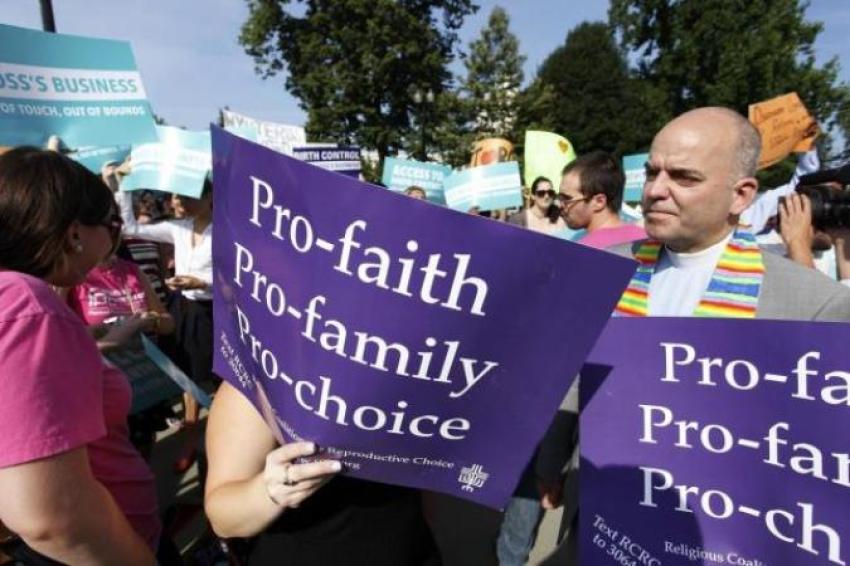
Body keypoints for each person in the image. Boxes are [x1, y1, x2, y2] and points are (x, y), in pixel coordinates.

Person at [544, 107, 850, 566]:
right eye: (652, 172)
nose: (655, 191)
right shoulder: (605, 269)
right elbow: (572, 374)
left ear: (741, 195)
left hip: (719, 537)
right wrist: (551, 463)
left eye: (683, 177)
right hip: (601, 513)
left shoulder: (811, 304)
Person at [0, 147, 158, 564]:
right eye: (112, 225)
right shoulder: (25, 303)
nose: (113, 241)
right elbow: (50, 517)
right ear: (74, 233)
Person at [204, 382, 437, 565]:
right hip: (306, 553)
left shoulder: (406, 370)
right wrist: (272, 491)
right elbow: (221, 517)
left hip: (411, 548)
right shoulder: (261, 376)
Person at [117, 179, 215, 473]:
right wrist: (123, 186)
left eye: (185, 196)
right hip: (181, 309)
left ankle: (216, 446)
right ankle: (190, 445)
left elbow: (240, 277)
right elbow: (129, 227)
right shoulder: (178, 228)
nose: (177, 202)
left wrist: (203, 283)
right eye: (174, 195)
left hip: (212, 312)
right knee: (185, 378)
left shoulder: (227, 230)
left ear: (210, 196)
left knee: (214, 380)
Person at [557, 151, 646, 249]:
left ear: (599, 202)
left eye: (566, 199)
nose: (560, 205)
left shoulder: (579, 249)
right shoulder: (646, 242)